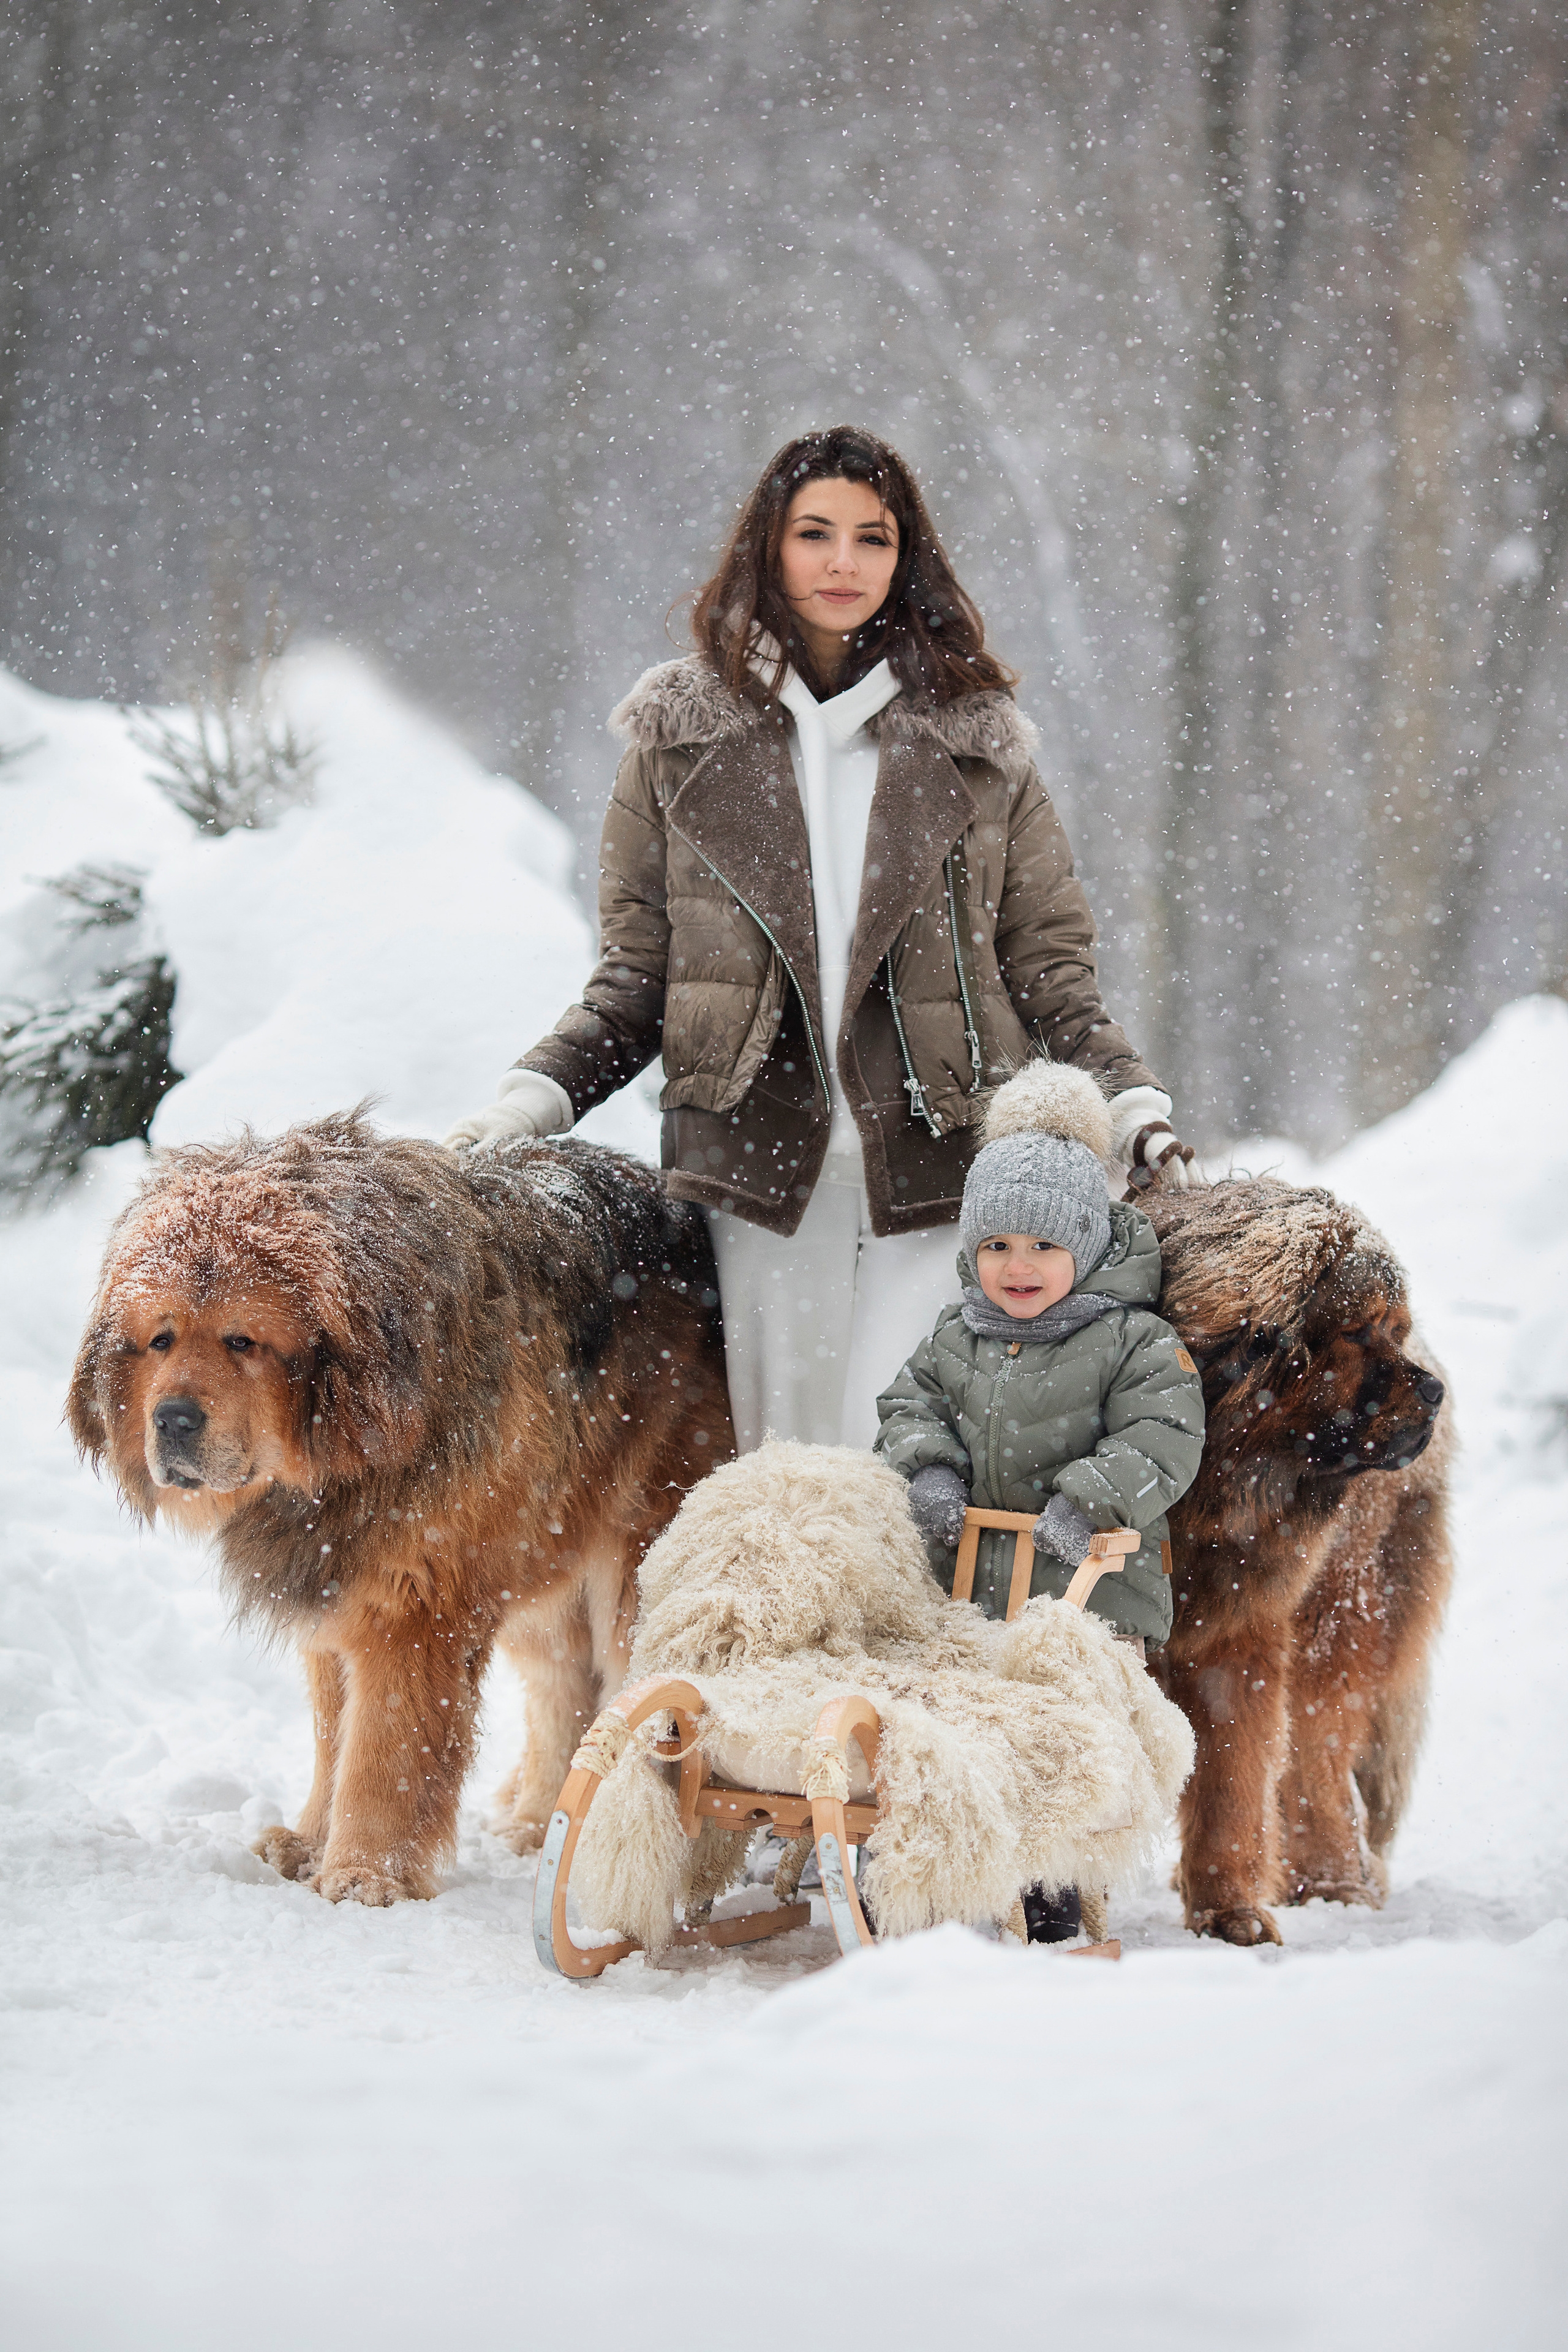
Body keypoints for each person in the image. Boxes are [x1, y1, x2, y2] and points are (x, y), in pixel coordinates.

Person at [445, 426, 1196, 1450]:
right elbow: (640, 977)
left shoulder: (978, 748)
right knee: (779, 1477)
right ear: (769, 546)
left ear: (906, 558)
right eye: (816, 533)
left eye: (872, 538)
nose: (844, 563)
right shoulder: (679, 744)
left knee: (904, 1471)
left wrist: (1133, 1100)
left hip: (941, 1160)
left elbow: (1049, 972)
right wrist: (529, 1102)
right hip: (757, 1166)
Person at [872, 1056, 1206, 1942]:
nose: (1018, 1267)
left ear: (1088, 1244)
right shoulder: (957, 1334)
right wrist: (930, 1470)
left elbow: (1164, 1438)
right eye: (997, 1246)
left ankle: (1056, 1879)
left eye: (1044, 1246)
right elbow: (908, 1405)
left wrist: (1092, 1499)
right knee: (950, 1717)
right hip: (970, 1580)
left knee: (1061, 1727)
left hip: (1084, 1589)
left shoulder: (1134, 1339)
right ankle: (925, 1857)